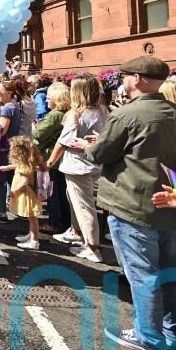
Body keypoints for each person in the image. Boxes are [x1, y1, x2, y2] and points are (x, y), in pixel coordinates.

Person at [72, 56, 176, 350]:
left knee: (143, 275)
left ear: (139, 79)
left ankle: (149, 335)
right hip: (171, 206)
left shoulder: (128, 114)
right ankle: (171, 332)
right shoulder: (175, 111)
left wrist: (88, 145)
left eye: (126, 76)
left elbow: (101, 154)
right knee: (171, 273)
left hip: (133, 205)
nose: (123, 81)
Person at [48, 73, 108, 263]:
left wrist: (49, 162)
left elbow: (62, 142)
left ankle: (92, 247)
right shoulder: (103, 110)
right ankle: (79, 234)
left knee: (84, 206)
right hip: (94, 164)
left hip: (77, 166)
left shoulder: (77, 115)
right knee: (77, 201)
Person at [32, 83, 71, 235]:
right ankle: (64, 221)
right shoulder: (66, 112)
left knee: (52, 192)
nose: (46, 101)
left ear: (57, 98)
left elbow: (38, 134)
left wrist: (35, 127)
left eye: (49, 98)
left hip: (49, 158)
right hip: (60, 158)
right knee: (61, 192)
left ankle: (54, 223)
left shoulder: (55, 115)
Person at [0, 80, 23, 223]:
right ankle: (18, 210)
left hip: (3, 150)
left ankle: (1, 213)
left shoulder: (7, 109)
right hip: (11, 148)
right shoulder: (14, 107)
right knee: (10, 180)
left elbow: (0, 132)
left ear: (9, 93)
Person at [1, 136, 44, 250]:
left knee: (32, 218)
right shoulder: (26, 161)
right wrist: (7, 167)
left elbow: (25, 182)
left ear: (19, 151)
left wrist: (15, 191)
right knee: (31, 218)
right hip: (27, 195)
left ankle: (34, 241)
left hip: (27, 196)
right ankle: (31, 235)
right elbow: (17, 165)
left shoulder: (25, 166)